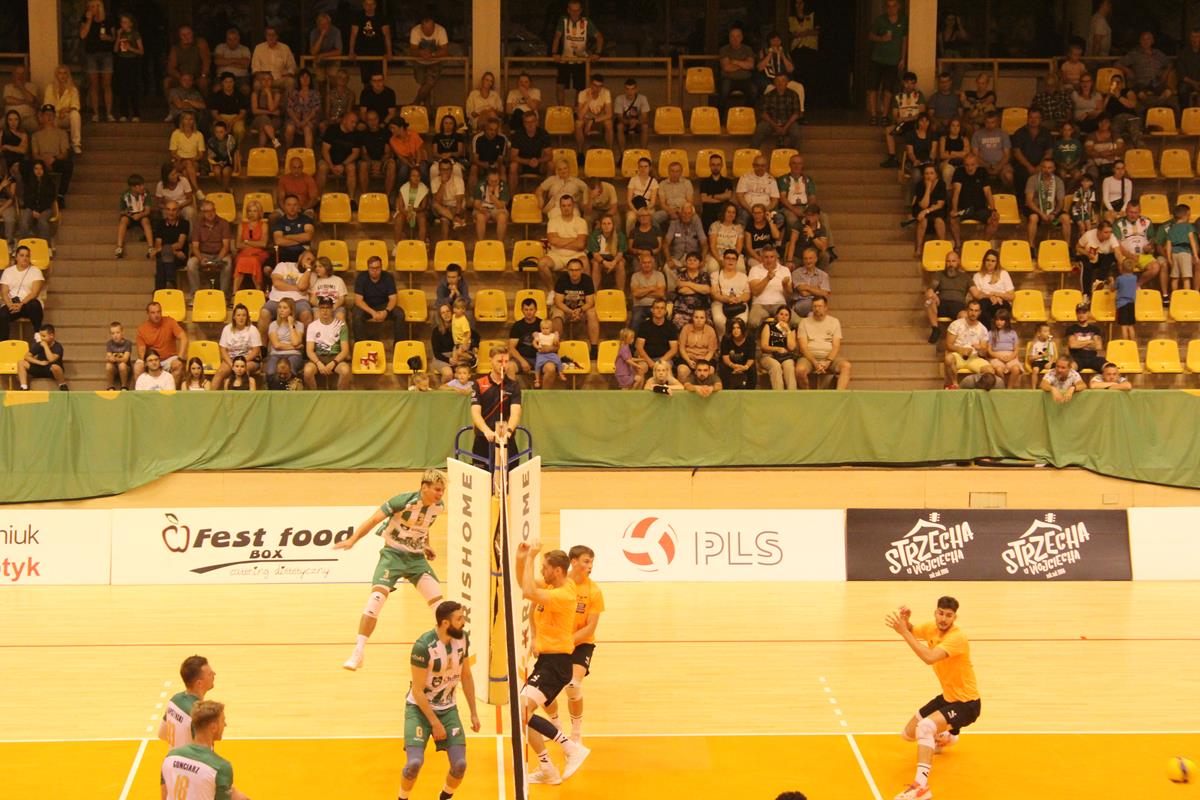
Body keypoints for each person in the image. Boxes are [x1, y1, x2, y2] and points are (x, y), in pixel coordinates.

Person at [333, 469, 448, 672]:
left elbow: (424, 527)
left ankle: (447, 650)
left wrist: (426, 545)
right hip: (392, 556)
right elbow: (373, 520)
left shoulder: (438, 507)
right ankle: (358, 652)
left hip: (416, 560)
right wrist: (352, 540)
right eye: (437, 489)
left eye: (443, 490)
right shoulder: (402, 501)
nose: (441, 494)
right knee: (376, 600)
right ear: (425, 487)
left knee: (440, 606)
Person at [885, 596, 981, 800]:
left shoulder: (957, 638)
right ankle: (948, 737)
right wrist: (906, 622)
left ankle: (921, 787)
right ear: (935, 612)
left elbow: (929, 658)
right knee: (908, 734)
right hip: (948, 698)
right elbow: (913, 630)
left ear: (955, 617)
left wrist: (903, 632)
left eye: (949, 615)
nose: (943, 619)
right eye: (941, 613)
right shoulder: (931, 628)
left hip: (967, 704)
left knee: (925, 727)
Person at [515, 542, 592, 784]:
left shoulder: (563, 594)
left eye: (545, 567)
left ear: (557, 571)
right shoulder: (554, 585)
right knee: (523, 714)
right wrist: (521, 558)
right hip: (547, 662)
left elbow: (529, 591)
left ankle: (570, 748)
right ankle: (547, 768)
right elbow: (524, 584)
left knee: (522, 710)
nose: (542, 571)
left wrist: (530, 558)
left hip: (556, 663)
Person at [397, 600, 481, 800]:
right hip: (419, 709)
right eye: (459, 618)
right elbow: (417, 690)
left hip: (448, 709)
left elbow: (466, 676)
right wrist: (435, 723)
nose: (463, 622)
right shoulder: (423, 647)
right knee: (414, 764)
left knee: (460, 765)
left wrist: (474, 712)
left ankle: (444, 797)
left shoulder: (463, 639)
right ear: (445, 623)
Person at [161, 700, 251, 800]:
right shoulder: (220, 767)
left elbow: (164, 793)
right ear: (213, 728)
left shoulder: (170, 756)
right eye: (222, 721)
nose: (225, 724)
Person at [469, 345, 522, 464]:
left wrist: (509, 431)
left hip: (506, 439)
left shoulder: (514, 386)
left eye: (506, 361)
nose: (503, 365)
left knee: (511, 474)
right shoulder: (478, 384)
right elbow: (475, 413)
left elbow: (515, 413)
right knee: (481, 474)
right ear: (490, 361)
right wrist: (486, 431)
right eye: (499, 361)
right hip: (484, 438)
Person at [552, 1, 603, 106]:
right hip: (565, 59)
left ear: (580, 11)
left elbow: (599, 37)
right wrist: (554, 52)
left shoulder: (586, 22)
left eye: (577, 10)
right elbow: (557, 36)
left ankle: (577, 111)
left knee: (580, 88)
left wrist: (597, 53)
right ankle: (561, 110)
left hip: (581, 60)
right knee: (560, 86)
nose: (574, 13)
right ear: (568, 10)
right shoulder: (563, 20)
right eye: (572, 10)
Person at [158, 655, 216, 748]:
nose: (214, 674)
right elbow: (205, 753)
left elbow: (162, 734)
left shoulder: (174, 700)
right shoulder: (200, 714)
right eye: (210, 674)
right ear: (199, 683)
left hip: (172, 756)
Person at [867, 0, 908, 127]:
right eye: (889, 6)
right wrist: (882, 38)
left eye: (894, 6)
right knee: (873, 87)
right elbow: (870, 36)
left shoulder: (903, 20)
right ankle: (873, 115)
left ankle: (884, 115)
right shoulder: (880, 20)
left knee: (888, 89)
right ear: (885, 8)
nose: (891, 9)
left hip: (893, 60)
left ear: (898, 6)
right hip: (877, 59)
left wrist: (903, 58)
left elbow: (904, 40)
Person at [795, 296, 850, 389]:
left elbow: (836, 346)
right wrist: (815, 362)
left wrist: (828, 361)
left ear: (825, 307)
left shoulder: (834, 322)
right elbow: (803, 347)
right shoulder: (804, 322)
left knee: (846, 366)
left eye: (820, 306)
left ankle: (839, 394)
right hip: (809, 358)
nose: (817, 309)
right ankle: (807, 394)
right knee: (800, 370)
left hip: (829, 357)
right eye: (815, 306)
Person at [1113, 199, 1165, 294]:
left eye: (1136, 212)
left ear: (1140, 212)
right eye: (1131, 212)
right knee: (1121, 263)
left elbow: (1152, 239)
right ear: (1126, 211)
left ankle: (1137, 285)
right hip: (1126, 255)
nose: (1133, 215)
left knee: (1155, 267)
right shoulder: (1118, 223)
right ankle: (1126, 289)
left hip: (1143, 255)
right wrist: (1129, 255)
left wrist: (1149, 246)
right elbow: (1117, 244)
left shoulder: (1146, 221)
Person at [539, 195, 590, 291]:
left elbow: (581, 245)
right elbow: (552, 241)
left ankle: (585, 292)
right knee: (542, 264)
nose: (566, 208)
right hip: (556, 255)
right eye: (563, 205)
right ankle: (552, 291)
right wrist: (574, 239)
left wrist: (559, 241)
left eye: (569, 205)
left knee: (585, 262)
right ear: (560, 207)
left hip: (576, 255)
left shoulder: (581, 222)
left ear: (573, 206)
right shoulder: (553, 221)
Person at [552, 258, 600, 352]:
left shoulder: (587, 280)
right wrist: (570, 311)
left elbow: (590, 302)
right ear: (567, 270)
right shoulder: (562, 279)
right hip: (565, 310)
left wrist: (580, 310)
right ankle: (556, 348)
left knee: (592, 313)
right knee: (557, 315)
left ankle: (594, 348)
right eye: (571, 270)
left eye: (577, 270)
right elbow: (558, 302)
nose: (574, 273)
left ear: (581, 270)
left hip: (581, 311)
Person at [949, 154, 997, 247]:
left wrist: (993, 210)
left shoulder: (982, 172)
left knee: (994, 219)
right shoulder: (959, 172)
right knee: (953, 219)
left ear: (977, 164)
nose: (970, 168)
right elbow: (956, 192)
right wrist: (954, 210)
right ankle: (958, 245)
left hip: (980, 209)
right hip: (964, 210)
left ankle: (984, 244)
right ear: (964, 165)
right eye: (967, 165)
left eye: (972, 165)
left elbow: (988, 192)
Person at [133, 301, 187, 383]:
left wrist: (180, 358)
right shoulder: (142, 329)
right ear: (148, 314)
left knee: (178, 365)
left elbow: (184, 338)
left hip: (169, 358)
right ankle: (142, 391)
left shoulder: (170, 322)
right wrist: (152, 363)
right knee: (138, 367)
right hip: (152, 359)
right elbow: (141, 352)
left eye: (158, 312)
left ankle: (171, 390)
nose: (156, 315)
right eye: (153, 312)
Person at [880, 72, 926, 169]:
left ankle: (911, 159)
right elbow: (894, 114)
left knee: (915, 128)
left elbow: (921, 114)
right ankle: (892, 158)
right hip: (903, 124)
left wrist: (906, 119)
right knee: (888, 130)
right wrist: (898, 119)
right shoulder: (898, 96)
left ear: (915, 84)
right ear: (903, 83)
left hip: (915, 123)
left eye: (912, 83)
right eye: (907, 83)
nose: (909, 85)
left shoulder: (919, 95)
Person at [186, 200, 232, 295]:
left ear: (215, 210)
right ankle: (195, 294)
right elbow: (195, 247)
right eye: (207, 211)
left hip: (221, 254)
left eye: (212, 210)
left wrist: (218, 259)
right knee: (191, 264)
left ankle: (224, 294)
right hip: (203, 254)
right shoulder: (197, 225)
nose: (210, 213)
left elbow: (226, 246)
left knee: (228, 264)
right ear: (202, 213)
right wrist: (201, 258)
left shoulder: (224, 223)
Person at [304, 295, 350, 389]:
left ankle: (341, 396)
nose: (325, 311)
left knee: (345, 371)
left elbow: (345, 350)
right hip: (318, 358)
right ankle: (314, 395)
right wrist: (318, 363)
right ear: (319, 309)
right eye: (322, 308)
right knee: (307, 371)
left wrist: (334, 362)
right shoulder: (312, 326)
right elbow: (309, 350)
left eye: (328, 308)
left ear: (332, 309)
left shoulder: (341, 325)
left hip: (335, 358)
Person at [941, 299, 991, 388]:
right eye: (971, 310)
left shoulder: (983, 329)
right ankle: (954, 384)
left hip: (974, 358)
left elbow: (984, 353)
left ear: (979, 312)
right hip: (958, 355)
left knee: (990, 371)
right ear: (967, 310)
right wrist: (960, 349)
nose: (973, 313)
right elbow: (948, 345)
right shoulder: (956, 324)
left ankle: (979, 389)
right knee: (948, 359)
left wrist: (980, 348)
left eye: (976, 311)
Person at [79, 1, 115, 122]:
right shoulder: (85, 19)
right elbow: (82, 35)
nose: (92, 8)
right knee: (94, 85)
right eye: (90, 6)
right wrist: (89, 20)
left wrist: (107, 37)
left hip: (106, 54)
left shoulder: (108, 19)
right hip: (91, 54)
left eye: (94, 6)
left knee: (107, 85)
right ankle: (95, 113)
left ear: (100, 7)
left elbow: (114, 38)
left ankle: (109, 113)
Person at [923, 249, 970, 343]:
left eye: (953, 261)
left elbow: (976, 293)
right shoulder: (939, 274)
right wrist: (933, 295)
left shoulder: (965, 277)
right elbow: (929, 290)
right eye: (948, 261)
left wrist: (991, 295)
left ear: (958, 262)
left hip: (958, 306)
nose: (950, 264)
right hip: (942, 304)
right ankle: (935, 329)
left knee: (965, 315)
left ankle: (959, 341)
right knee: (928, 302)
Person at [353, 256, 403, 341]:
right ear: (368, 268)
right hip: (367, 307)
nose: (375, 270)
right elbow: (358, 300)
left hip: (383, 306)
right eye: (372, 268)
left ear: (381, 267)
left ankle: (399, 345)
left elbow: (393, 299)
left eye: (377, 268)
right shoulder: (361, 277)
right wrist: (373, 312)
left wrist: (386, 311)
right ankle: (361, 345)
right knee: (357, 315)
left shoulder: (388, 277)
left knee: (400, 314)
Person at [31, 105, 73, 206]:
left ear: (54, 116)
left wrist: (53, 159)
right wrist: (44, 160)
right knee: (26, 165)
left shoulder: (62, 133)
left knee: (68, 164)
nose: (49, 117)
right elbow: (35, 154)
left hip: (55, 160)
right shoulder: (36, 135)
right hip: (40, 162)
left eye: (51, 114)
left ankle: (60, 196)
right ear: (42, 117)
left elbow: (65, 153)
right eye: (46, 114)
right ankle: (31, 197)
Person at [213, 304, 262, 390]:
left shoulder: (252, 329)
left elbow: (256, 350)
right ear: (234, 317)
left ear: (247, 317)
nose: (241, 318)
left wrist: (241, 363)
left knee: (243, 370)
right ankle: (211, 396)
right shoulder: (227, 329)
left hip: (249, 360)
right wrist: (232, 364)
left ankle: (244, 395)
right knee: (220, 372)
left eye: (244, 315)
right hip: (231, 360)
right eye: (238, 315)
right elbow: (223, 350)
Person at [1024, 157, 1068, 246]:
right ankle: (1031, 247)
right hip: (1038, 213)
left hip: (1052, 217)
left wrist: (1054, 213)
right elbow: (1029, 201)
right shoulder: (1033, 179)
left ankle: (1067, 247)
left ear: (1054, 169)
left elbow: (1061, 201)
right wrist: (1041, 214)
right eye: (1044, 167)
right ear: (1040, 168)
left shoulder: (1058, 181)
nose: (1047, 170)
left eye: (1049, 168)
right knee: (1033, 218)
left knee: (1065, 218)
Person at [408, 14, 450, 108]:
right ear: (421, 27)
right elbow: (412, 50)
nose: (428, 31)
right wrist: (421, 53)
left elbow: (445, 50)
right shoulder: (415, 31)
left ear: (434, 26)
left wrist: (432, 55)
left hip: (435, 62)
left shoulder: (441, 30)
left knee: (429, 83)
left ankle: (416, 103)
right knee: (425, 85)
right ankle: (427, 110)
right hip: (419, 62)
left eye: (430, 28)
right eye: (425, 29)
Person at [348, 0, 392, 86]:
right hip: (363, 52)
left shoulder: (381, 17)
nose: (369, 7)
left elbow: (387, 35)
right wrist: (351, 52)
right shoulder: (358, 16)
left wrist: (389, 52)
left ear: (375, 5)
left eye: (372, 4)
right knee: (366, 81)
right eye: (367, 4)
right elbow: (353, 34)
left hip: (378, 53)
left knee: (378, 79)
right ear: (364, 5)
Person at [747, 245, 792, 329]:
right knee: (753, 322)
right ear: (762, 258)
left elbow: (789, 295)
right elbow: (755, 292)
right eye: (766, 257)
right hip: (760, 304)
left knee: (795, 322)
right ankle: (761, 337)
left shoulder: (785, 270)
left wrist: (785, 286)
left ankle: (781, 337)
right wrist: (767, 278)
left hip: (779, 304)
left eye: (772, 257)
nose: (769, 260)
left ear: (776, 258)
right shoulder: (755, 269)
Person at [317, 111, 360, 196]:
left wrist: (343, 164)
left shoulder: (356, 133)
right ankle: (318, 197)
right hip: (329, 160)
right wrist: (331, 166)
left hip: (346, 161)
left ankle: (351, 199)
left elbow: (355, 153)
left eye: (355, 123)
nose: (354, 125)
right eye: (352, 122)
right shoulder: (332, 129)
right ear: (344, 121)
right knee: (322, 168)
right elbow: (325, 150)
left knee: (351, 168)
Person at [711, 249, 751, 339]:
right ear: (723, 259)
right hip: (720, 303)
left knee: (741, 321)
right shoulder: (715, 274)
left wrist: (738, 299)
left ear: (737, 261)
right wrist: (727, 299)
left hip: (739, 304)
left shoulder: (743, 276)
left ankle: (737, 343)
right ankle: (723, 341)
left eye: (733, 259)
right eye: (728, 258)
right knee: (719, 320)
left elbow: (747, 294)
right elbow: (714, 293)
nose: (730, 261)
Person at [111, 12, 143, 122]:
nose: (123, 24)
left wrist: (130, 48)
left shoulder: (135, 34)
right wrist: (118, 36)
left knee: (133, 87)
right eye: (122, 22)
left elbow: (141, 51)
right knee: (122, 87)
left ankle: (136, 113)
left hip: (132, 61)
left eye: (125, 22)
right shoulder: (121, 34)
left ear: (131, 24)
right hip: (122, 61)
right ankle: (123, 113)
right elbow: (115, 50)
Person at [150, 200, 189, 291]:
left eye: (174, 210)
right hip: (173, 253)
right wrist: (171, 251)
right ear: (165, 211)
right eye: (168, 209)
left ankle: (159, 291)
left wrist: (165, 249)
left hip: (180, 256)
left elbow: (180, 244)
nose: (171, 212)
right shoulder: (160, 224)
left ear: (178, 211)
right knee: (162, 260)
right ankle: (170, 282)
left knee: (161, 261)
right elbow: (158, 244)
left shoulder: (184, 223)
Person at [909, 163, 946, 257]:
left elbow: (940, 204)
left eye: (931, 173)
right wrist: (928, 188)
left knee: (939, 220)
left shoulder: (941, 184)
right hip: (921, 208)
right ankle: (919, 248)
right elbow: (923, 205)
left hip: (935, 209)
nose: (929, 176)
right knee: (923, 220)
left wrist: (926, 211)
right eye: (926, 173)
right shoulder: (920, 185)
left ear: (936, 174)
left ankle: (943, 247)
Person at [508, 110, 552, 189]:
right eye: (527, 122)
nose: (530, 124)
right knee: (513, 166)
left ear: (536, 122)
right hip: (522, 164)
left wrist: (538, 161)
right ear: (523, 123)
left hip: (539, 164)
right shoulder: (517, 135)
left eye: (532, 121)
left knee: (551, 164)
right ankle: (512, 195)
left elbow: (549, 156)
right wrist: (528, 161)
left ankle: (547, 192)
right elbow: (513, 156)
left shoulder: (543, 134)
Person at [15, 323, 66, 391]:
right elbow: (27, 356)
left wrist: (45, 346)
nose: (42, 338)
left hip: (51, 370)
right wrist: (39, 362)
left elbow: (51, 359)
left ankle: (62, 385)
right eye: (41, 336)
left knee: (56, 367)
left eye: (44, 336)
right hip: (40, 367)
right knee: (21, 362)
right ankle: (24, 387)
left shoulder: (57, 346)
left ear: (51, 336)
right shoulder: (38, 345)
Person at [718, 26, 757, 114]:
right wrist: (743, 64)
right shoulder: (724, 49)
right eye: (732, 36)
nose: (735, 39)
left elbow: (751, 65)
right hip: (728, 79)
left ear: (742, 38)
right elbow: (726, 67)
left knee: (754, 90)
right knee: (723, 91)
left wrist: (735, 62)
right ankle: (720, 117)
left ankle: (746, 114)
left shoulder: (747, 49)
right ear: (729, 38)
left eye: (738, 36)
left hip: (745, 79)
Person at [358, 109, 397, 198]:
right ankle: (365, 197)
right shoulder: (363, 134)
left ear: (379, 119)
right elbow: (364, 153)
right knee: (363, 165)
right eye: (370, 120)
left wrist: (380, 163)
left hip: (383, 161)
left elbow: (388, 152)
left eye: (375, 119)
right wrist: (372, 163)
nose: (373, 122)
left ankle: (387, 197)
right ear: (366, 121)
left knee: (392, 164)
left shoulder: (386, 133)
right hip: (368, 161)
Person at [43, 67, 82, 155]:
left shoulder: (73, 89)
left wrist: (66, 110)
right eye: (60, 73)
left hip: (67, 116)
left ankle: (76, 144)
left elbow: (76, 105)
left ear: (68, 75)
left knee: (75, 114)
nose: (62, 75)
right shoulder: (50, 88)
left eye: (65, 73)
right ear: (56, 75)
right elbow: (46, 105)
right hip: (54, 116)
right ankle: (55, 146)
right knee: (49, 116)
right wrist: (57, 113)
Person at [234, 199, 270, 291]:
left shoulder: (264, 225)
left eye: (255, 211)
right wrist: (255, 244)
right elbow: (238, 244)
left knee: (253, 261)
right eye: (250, 211)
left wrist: (246, 242)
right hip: (243, 253)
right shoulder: (241, 225)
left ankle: (258, 291)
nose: (252, 213)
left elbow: (263, 244)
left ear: (260, 213)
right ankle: (234, 293)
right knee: (241, 261)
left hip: (259, 253)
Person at [734, 155, 780, 228]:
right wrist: (750, 210)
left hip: (766, 209)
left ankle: (770, 235)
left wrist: (765, 211)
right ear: (753, 165)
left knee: (780, 218)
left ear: (767, 166)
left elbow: (775, 200)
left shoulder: (771, 180)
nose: (760, 168)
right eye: (757, 165)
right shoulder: (745, 177)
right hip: (748, 208)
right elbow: (740, 196)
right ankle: (743, 235)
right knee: (743, 215)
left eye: (762, 166)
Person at [1076, 218, 1118, 296]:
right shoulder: (1088, 235)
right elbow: (1078, 247)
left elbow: (1118, 251)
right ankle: (1086, 294)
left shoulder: (1112, 237)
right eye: (1106, 232)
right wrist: (1087, 254)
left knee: (1110, 256)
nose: (1109, 235)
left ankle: (1099, 282)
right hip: (1087, 257)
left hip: (1100, 258)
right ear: (1098, 231)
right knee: (1086, 265)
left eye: (1110, 232)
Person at [18, 160, 57, 243]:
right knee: (24, 221)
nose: (38, 171)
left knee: (42, 221)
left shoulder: (50, 183)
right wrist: (33, 210)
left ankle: (45, 245)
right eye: (36, 168)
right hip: (31, 208)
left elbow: (50, 199)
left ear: (44, 170)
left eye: (41, 169)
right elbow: (26, 198)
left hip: (45, 208)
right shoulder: (28, 182)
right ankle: (24, 244)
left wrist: (39, 210)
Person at [266, 296, 305, 378]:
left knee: (290, 371)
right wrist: (295, 347)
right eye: (279, 307)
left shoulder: (299, 325)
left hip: (294, 355)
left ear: (291, 310)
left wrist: (291, 325)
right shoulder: (273, 325)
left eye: (285, 308)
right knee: (270, 372)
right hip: (276, 355)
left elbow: (295, 342)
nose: (281, 310)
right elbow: (276, 345)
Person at [759, 306, 797, 389]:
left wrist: (787, 330)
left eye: (786, 315)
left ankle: (792, 394)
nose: (783, 317)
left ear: (789, 318)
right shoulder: (769, 326)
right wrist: (777, 349)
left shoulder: (791, 329)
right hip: (769, 356)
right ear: (777, 315)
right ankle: (779, 394)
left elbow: (791, 347)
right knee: (775, 366)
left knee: (789, 366)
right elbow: (764, 346)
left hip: (784, 357)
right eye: (781, 314)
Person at [251, 26, 298, 93]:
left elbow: (292, 66)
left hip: (280, 79)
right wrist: (262, 77)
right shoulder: (258, 48)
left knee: (291, 81)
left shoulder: (285, 48)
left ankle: (287, 100)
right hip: (264, 80)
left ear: (277, 36)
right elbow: (255, 68)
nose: (271, 37)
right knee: (256, 85)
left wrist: (287, 75)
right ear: (265, 36)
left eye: (273, 35)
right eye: (269, 35)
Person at [676, 307, 718, 383]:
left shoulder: (710, 330)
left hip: (705, 359)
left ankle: (705, 389)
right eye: (696, 317)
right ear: (692, 318)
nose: (699, 320)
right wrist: (688, 361)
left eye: (702, 318)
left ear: (705, 319)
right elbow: (681, 348)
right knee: (682, 371)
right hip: (688, 358)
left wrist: (702, 364)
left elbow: (711, 351)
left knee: (710, 370)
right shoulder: (686, 328)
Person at [1163, 204, 1198, 293]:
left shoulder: (1171, 229)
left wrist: (1169, 258)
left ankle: (1174, 295)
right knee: (1186, 277)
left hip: (1174, 254)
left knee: (1175, 277)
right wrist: (1195, 255)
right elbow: (1192, 241)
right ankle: (1187, 296)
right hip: (1185, 253)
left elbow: (1168, 244)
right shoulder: (1188, 226)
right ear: (1186, 215)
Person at [284, 69, 321, 151]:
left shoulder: (315, 93)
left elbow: (315, 110)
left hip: (309, 119)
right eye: (302, 77)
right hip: (295, 118)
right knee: (289, 128)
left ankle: (309, 154)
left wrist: (304, 121)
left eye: (307, 77)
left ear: (310, 79)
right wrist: (297, 121)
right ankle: (288, 151)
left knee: (307, 129)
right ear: (299, 79)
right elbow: (289, 109)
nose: (305, 79)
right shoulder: (293, 93)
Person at [271, 194, 314, 264]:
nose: (292, 208)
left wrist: (287, 236)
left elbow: (308, 236)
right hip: (283, 253)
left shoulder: (306, 219)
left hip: (302, 252)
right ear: (284, 206)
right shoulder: (279, 222)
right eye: (289, 205)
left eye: (295, 205)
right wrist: (300, 241)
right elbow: (278, 241)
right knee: (267, 268)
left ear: (299, 206)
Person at [430, 157, 467, 240]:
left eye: (448, 169)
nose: (445, 172)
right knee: (434, 204)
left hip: (455, 206)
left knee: (444, 220)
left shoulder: (458, 180)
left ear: (451, 169)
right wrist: (443, 183)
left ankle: (445, 245)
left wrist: (457, 214)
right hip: (441, 207)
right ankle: (456, 221)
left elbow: (459, 202)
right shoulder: (435, 181)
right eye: (443, 169)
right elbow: (437, 201)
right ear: (439, 170)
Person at [587, 214, 627, 290]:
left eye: (609, 223)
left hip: (614, 259)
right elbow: (595, 254)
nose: (606, 226)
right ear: (601, 225)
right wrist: (604, 262)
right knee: (595, 264)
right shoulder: (595, 235)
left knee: (621, 264)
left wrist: (613, 263)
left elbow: (620, 253)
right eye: (604, 224)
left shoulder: (620, 235)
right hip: (600, 260)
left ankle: (621, 291)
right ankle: (594, 291)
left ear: (613, 225)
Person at [985, 309, 1022, 388]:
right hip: (996, 356)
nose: (999, 322)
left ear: (1007, 321)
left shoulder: (1012, 333)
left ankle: (1009, 388)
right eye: (997, 320)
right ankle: (1003, 385)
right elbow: (989, 350)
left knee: (1016, 369)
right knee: (998, 370)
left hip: (1010, 356)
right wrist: (999, 356)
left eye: (1002, 320)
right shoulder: (991, 333)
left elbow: (1016, 349)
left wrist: (1011, 357)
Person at [629, 251, 665, 330]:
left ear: (653, 264)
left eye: (649, 262)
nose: (647, 265)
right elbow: (635, 293)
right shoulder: (635, 276)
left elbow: (661, 294)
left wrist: (642, 292)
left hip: (656, 306)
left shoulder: (659, 275)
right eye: (644, 263)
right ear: (640, 264)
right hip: (639, 306)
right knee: (636, 319)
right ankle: (634, 338)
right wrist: (651, 288)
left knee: (664, 317)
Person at [699, 153, 735, 231]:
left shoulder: (727, 181)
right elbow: (704, 199)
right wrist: (722, 198)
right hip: (708, 213)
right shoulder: (704, 182)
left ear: (722, 165)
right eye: (713, 164)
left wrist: (712, 196)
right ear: (710, 165)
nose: (715, 167)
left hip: (723, 212)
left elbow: (728, 196)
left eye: (718, 165)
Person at [1065, 302, 1105, 373]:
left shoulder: (1095, 329)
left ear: (1088, 313)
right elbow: (1072, 345)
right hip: (1077, 359)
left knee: (1108, 367)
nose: (1081, 315)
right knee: (1070, 369)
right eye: (1079, 313)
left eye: (1084, 313)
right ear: (1076, 314)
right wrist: (1090, 341)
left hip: (1093, 358)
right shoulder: (1071, 329)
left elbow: (1098, 346)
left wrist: (1078, 343)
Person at [613, 78, 649, 153]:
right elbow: (619, 117)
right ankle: (622, 154)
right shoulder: (619, 99)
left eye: (632, 89)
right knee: (619, 126)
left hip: (637, 122)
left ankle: (644, 152)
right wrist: (629, 122)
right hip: (625, 122)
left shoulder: (642, 98)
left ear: (636, 89)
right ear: (624, 89)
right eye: (627, 89)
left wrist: (636, 122)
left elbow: (644, 117)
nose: (630, 92)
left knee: (645, 126)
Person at [473, 168, 510, 241]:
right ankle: (480, 243)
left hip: (498, 209)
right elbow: (476, 203)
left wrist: (492, 196)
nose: (493, 183)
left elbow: (501, 206)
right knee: (480, 217)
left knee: (502, 217)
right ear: (487, 179)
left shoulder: (503, 185)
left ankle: (500, 243)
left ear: (499, 179)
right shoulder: (481, 184)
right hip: (483, 207)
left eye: (496, 181)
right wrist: (480, 208)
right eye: (491, 181)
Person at [719, 317, 756, 390]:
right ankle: (726, 391)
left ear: (742, 329)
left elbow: (751, 358)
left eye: (738, 328)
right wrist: (733, 365)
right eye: (733, 328)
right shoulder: (726, 338)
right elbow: (725, 357)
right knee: (723, 368)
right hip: (730, 363)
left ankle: (750, 391)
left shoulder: (750, 337)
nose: (735, 330)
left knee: (752, 369)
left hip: (745, 363)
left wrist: (745, 367)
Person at [394, 166, 430, 242]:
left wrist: (413, 210)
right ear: (409, 177)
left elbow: (423, 206)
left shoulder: (424, 188)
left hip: (418, 210)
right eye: (413, 176)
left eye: (418, 176)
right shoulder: (403, 188)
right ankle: (396, 244)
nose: (416, 178)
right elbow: (401, 207)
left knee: (422, 219)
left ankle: (422, 244)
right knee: (399, 219)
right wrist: (408, 213)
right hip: (405, 210)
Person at [308, 12, 343, 88]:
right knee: (320, 83)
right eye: (321, 24)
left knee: (333, 81)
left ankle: (333, 95)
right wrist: (321, 36)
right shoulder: (314, 32)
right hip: (319, 61)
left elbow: (339, 51)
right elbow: (313, 52)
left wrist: (323, 55)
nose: (324, 26)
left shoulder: (336, 31)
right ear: (318, 25)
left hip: (333, 60)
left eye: (326, 24)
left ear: (330, 24)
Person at [212, 27, 251, 95]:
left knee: (245, 89)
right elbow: (218, 61)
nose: (232, 42)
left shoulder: (244, 49)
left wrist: (226, 62)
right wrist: (237, 62)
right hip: (222, 77)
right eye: (229, 39)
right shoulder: (220, 47)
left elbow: (246, 64)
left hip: (240, 77)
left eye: (235, 39)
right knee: (217, 88)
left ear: (239, 39)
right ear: (226, 39)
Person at [249, 72, 282, 149]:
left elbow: (272, 108)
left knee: (263, 128)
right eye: (264, 79)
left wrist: (269, 94)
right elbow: (255, 111)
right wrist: (271, 112)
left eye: (269, 79)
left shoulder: (277, 94)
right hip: (258, 119)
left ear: (272, 81)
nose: (266, 81)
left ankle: (261, 150)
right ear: (260, 82)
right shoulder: (255, 94)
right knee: (264, 118)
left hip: (274, 120)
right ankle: (274, 140)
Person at [3, 65, 39, 133]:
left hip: (27, 118)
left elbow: (31, 100)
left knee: (35, 126)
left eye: (23, 73)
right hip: (9, 118)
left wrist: (21, 87)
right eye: (18, 73)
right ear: (13, 75)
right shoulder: (8, 87)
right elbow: (8, 100)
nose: (20, 76)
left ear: (26, 75)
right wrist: (26, 102)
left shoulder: (32, 86)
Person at [206, 119, 238, 191]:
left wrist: (236, 167)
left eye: (221, 132)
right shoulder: (211, 141)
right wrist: (216, 163)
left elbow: (236, 153)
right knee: (217, 172)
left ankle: (223, 190)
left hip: (228, 162)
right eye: (217, 132)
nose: (219, 134)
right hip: (216, 162)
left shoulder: (231, 140)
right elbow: (210, 157)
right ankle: (225, 189)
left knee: (225, 172)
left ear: (226, 132)